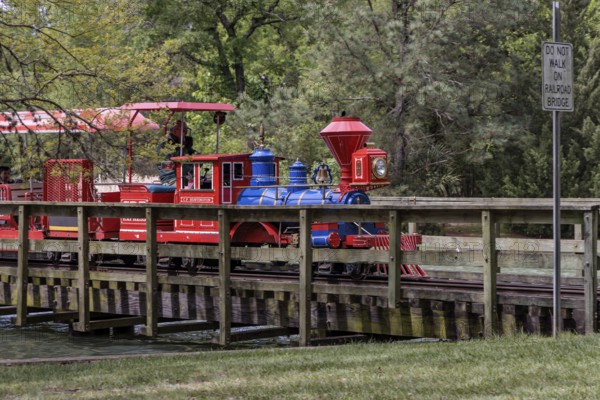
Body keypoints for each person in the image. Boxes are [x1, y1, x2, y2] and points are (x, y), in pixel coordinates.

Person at [157, 120, 196, 185]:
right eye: (184, 130)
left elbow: (194, 159)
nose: (186, 133)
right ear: (175, 131)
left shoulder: (184, 146)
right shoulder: (164, 147)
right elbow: (167, 167)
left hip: (186, 178)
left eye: (186, 130)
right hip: (171, 179)